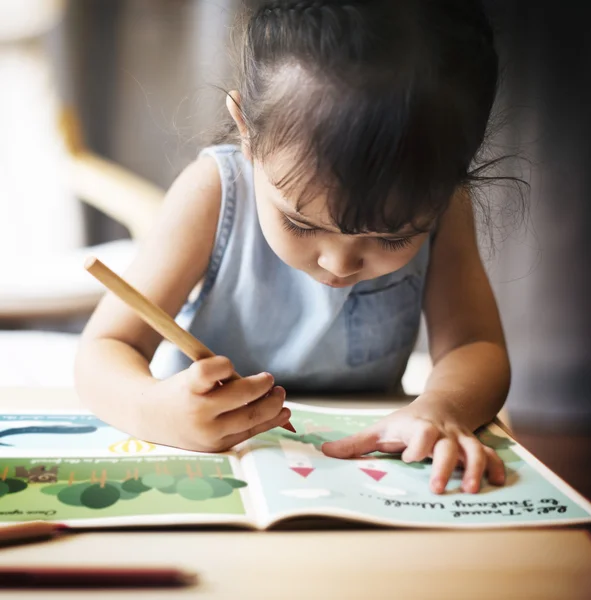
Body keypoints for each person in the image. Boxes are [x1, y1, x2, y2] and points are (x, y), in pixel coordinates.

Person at [76, 0, 513, 494]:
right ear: (247, 132)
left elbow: (476, 347)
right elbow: (105, 349)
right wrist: (154, 409)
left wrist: (442, 409)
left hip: (366, 475)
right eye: (301, 223)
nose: (339, 263)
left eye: (393, 236)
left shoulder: (444, 207)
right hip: (218, 464)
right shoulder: (213, 193)